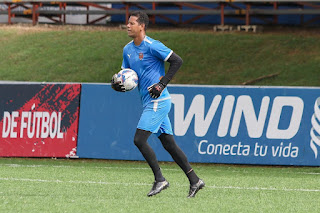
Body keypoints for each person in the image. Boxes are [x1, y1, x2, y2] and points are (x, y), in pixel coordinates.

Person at [111, 11, 204, 198]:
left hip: (158, 101)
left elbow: (178, 61)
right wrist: (118, 83)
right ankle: (195, 180)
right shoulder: (127, 49)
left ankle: (160, 179)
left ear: (142, 26)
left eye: (132, 23)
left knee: (139, 140)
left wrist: (162, 85)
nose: (127, 26)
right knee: (169, 144)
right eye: (127, 23)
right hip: (148, 101)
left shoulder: (153, 46)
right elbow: (127, 76)